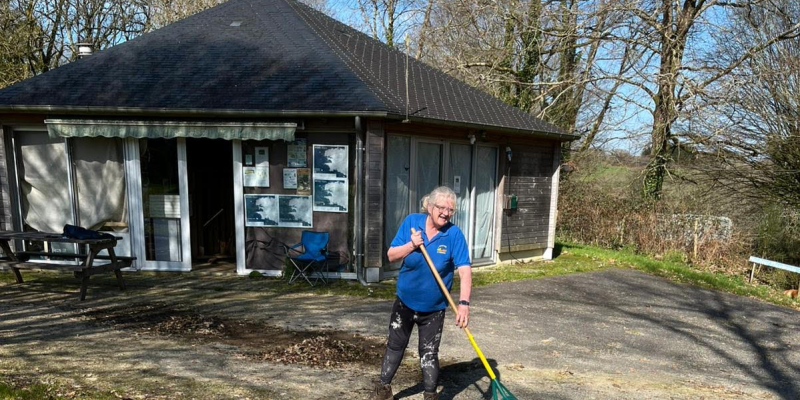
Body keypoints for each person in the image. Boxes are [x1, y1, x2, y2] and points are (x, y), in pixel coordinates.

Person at [372, 186, 472, 400]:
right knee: (395, 346)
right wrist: (412, 245)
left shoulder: (454, 235)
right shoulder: (411, 223)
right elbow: (391, 255)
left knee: (429, 353)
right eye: (441, 207)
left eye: (450, 210)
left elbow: (464, 271)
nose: (445, 213)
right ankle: (383, 390)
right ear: (429, 206)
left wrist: (463, 303)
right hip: (405, 302)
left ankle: (429, 395)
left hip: (434, 309)